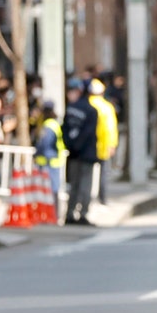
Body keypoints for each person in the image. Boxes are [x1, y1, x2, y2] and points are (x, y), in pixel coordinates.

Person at [63, 79, 100, 225]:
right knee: (84, 185)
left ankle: (70, 213)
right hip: (86, 153)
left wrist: (71, 145)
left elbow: (64, 129)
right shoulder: (91, 111)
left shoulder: (70, 108)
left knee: (74, 185)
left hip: (74, 153)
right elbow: (89, 132)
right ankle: (82, 214)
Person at [34, 100, 66, 221]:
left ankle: (51, 215)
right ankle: (53, 215)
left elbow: (44, 144)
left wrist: (37, 153)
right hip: (53, 161)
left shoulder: (48, 125)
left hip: (48, 162)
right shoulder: (54, 123)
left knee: (50, 190)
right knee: (53, 190)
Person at [89, 79, 119, 205]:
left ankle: (88, 197)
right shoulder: (107, 107)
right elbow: (111, 128)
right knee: (103, 175)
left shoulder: (87, 104)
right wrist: (112, 145)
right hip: (103, 146)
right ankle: (102, 198)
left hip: (88, 147)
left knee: (87, 175)